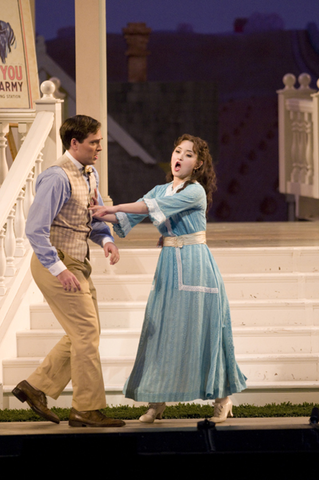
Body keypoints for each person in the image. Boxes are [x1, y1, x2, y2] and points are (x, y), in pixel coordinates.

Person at [90, 133, 247, 424]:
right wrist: (100, 213)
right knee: (161, 330)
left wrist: (114, 206)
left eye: (188, 154)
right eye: (178, 151)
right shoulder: (161, 189)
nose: (180, 157)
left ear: (198, 164)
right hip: (169, 266)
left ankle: (223, 400)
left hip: (195, 265)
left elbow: (144, 208)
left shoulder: (195, 191)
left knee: (205, 331)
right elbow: (130, 218)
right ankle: (157, 402)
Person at [12, 115, 125, 428]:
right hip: (56, 263)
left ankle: (37, 387)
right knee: (86, 333)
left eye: (99, 141)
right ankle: (86, 408)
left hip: (78, 261)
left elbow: (94, 216)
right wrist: (60, 269)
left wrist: (106, 241)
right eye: (93, 142)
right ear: (74, 143)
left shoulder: (90, 173)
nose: (99, 147)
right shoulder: (56, 177)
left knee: (87, 332)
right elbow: (35, 230)